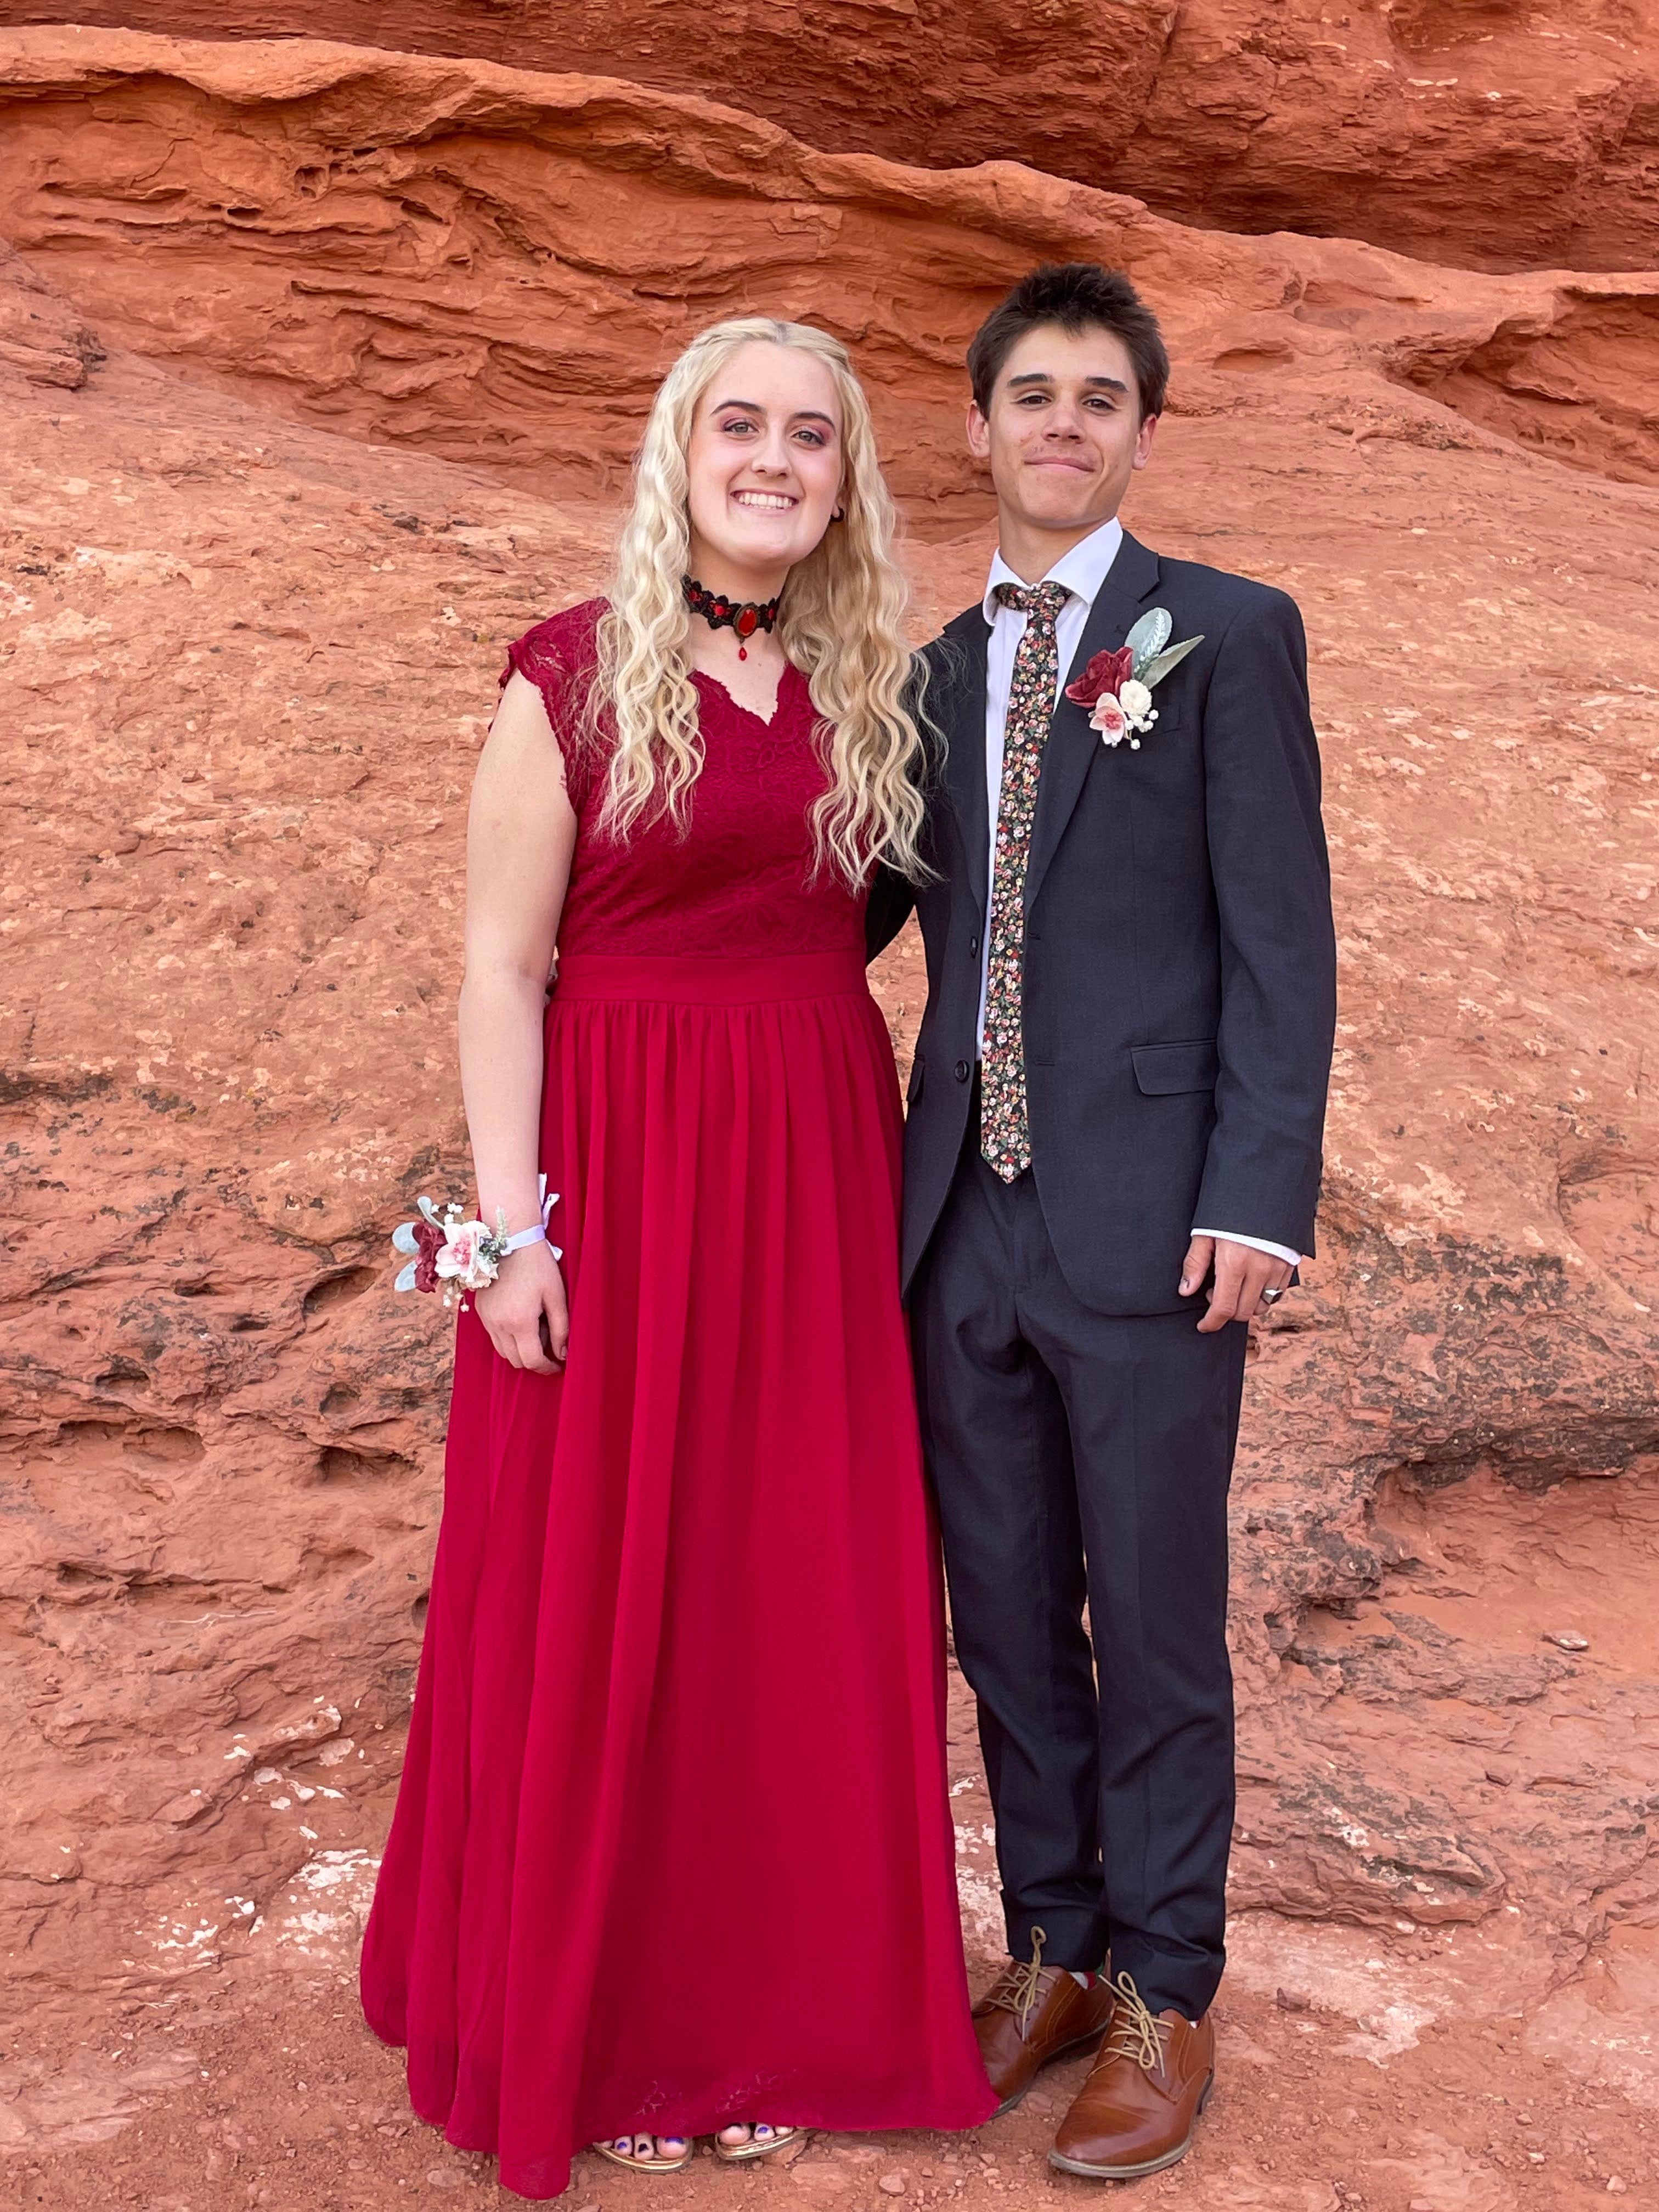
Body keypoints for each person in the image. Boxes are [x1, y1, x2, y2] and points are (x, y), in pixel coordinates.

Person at [360, 315, 997, 2201]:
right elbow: (501, 969)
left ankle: (777, 2013)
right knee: (598, 1585)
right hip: (617, 1177)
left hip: (812, 1172)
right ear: (680, 451)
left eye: (812, 434)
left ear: (847, 477)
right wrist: (504, 1235)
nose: (774, 461)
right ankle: (612, 2024)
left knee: (784, 1586)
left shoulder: (874, 690)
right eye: (741, 426)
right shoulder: (571, 668)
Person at [867, 262, 1338, 2181]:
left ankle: (1167, 1991)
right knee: (1002, 1621)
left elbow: (1282, 938)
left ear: (1142, 431)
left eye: (1099, 399)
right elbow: (836, 912)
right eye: (1032, 395)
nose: (1063, 426)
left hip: (1152, 1228)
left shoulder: (1222, 633)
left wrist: (1258, 1193)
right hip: (958, 1225)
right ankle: (1055, 1949)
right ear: (977, 425)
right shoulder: (924, 674)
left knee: (1152, 1625)